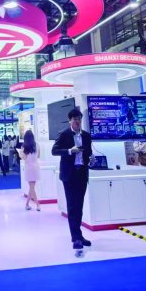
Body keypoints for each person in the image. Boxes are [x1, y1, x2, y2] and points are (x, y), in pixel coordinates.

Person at [52, 107, 93, 251]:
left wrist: (91, 159)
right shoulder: (64, 134)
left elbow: (89, 153)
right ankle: (75, 238)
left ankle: (78, 235)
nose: (77, 121)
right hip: (69, 175)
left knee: (79, 206)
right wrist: (70, 151)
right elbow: (54, 150)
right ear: (70, 120)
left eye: (79, 119)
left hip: (82, 173)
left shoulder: (86, 136)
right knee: (72, 206)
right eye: (75, 119)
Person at [20, 130, 41, 211]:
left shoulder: (24, 146)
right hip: (35, 167)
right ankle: (27, 204)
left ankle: (37, 205)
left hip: (28, 167)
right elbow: (38, 156)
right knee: (32, 187)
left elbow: (23, 158)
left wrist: (20, 153)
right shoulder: (37, 145)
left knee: (31, 187)